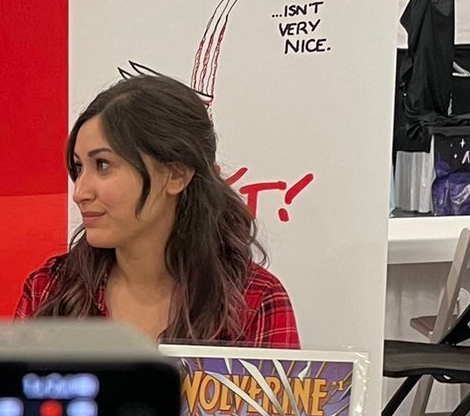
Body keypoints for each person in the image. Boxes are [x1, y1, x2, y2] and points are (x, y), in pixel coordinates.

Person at [15, 73, 299, 348]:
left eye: (102, 165)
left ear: (175, 175)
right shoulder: (48, 290)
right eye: (78, 168)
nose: (80, 192)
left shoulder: (255, 302)